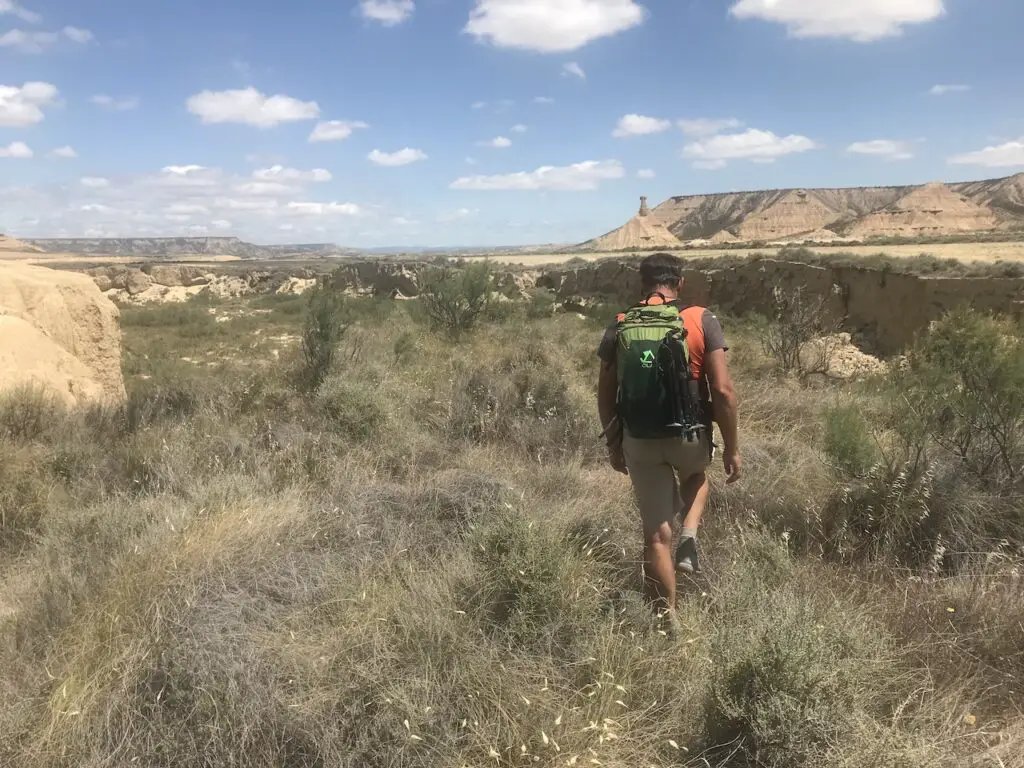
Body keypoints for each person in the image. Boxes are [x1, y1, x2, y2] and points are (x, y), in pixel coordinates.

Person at [597, 252, 741, 624]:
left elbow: (605, 393)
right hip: (689, 435)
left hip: (639, 439)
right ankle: (689, 535)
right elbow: (723, 391)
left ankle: (667, 621)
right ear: (679, 283)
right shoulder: (699, 319)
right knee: (697, 478)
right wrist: (732, 448)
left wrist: (615, 445)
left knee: (657, 535)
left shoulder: (620, 324)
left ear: (641, 284)